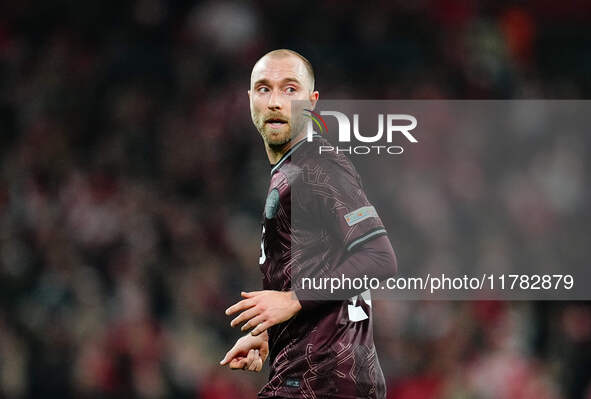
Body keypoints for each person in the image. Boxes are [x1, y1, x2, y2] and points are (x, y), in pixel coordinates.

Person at [220, 49, 397, 399]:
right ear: (250, 99)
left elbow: (380, 258)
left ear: (312, 102)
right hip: (312, 376)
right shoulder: (291, 171)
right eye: (263, 88)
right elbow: (318, 267)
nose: (274, 101)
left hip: (322, 380)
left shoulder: (319, 166)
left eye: (289, 90)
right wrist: (272, 332)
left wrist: (294, 300)